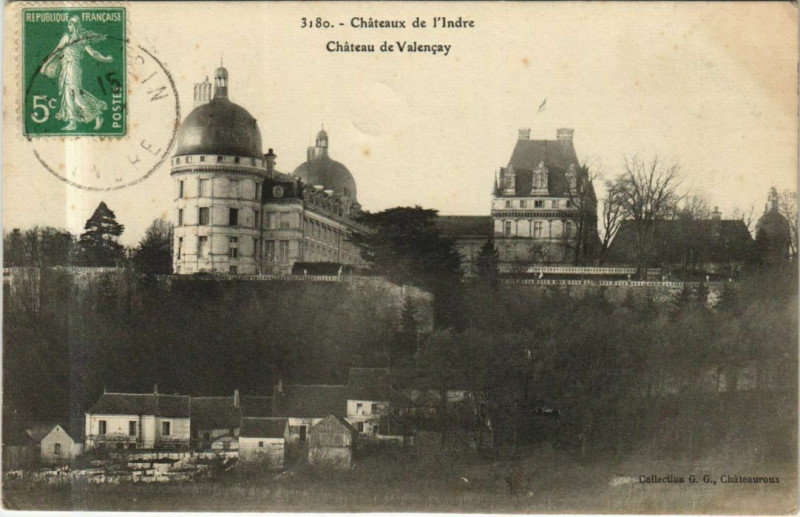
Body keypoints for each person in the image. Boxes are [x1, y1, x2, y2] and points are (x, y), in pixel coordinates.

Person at [40, 16, 112, 131]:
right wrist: (45, 65)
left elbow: (93, 53)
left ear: (76, 26)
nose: (69, 27)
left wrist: (105, 58)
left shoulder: (81, 39)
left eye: (71, 24)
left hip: (73, 67)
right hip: (66, 67)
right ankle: (72, 122)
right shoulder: (66, 37)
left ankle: (96, 115)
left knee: (75, 94)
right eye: (69, 24)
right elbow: (56, 52)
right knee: (68, 94)